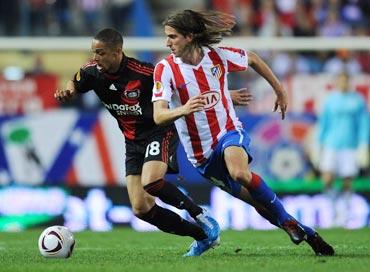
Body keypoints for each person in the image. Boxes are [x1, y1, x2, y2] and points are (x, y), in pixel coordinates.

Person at [54, 28, 252, 257]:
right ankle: (202, 236)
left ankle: (200, 214)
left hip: (159, 130)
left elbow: (181, 86)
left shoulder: (144, 73)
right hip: (132, 142)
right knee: (141, 207)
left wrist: (224, 94)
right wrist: (68, 92)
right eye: (94, 52)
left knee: (151, 182)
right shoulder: (92, 72)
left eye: (100, 53)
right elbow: (74, 83)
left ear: (117, 52)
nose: (95, 58)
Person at [152, 9, 335, 256]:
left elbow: (253, 59)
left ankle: (291, 224)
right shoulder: (165, 69)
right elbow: (159, 115)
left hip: (228, 132)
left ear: (190, 36)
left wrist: (279, 89)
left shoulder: (217, 57)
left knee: (239, 172)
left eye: (173, 36)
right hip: (201, 156)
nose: (167, 42)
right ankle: (307, 233)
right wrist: (183, 109)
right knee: (259, 204)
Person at [317, 72, 369, 225]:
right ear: (336, 82)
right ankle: (333, 209)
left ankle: (344, 213)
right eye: (340, 80)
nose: (343, 83)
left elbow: (363, 123)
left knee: (347, 181)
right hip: (331, 144)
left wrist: (364, 143)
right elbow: (323, 122)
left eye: (346, 81)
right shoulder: (330, 100)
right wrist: (318, 143)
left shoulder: (358, 101)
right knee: (327, 178)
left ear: (349, 82)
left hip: (350, 145)